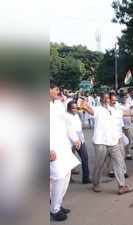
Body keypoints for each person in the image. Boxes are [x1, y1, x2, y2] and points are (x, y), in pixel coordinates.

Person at [80, 93, 133, 195]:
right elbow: (89, 110)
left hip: (114, 141)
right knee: (99, 164)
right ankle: (96, 183)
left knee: (119, 162)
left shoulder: (114, 110)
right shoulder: (98, 109)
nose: (106, 100)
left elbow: (124, 114)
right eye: (103, 98)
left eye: (107, 98)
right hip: (100, 142)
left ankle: (122, 186)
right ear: (100, 100)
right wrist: (84, 104)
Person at [50, 81, 80, 221]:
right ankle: (54, 210)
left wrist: (75, 139)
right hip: (52, 149)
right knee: (58, 177)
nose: (58, 92)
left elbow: (67, 123)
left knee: (66, 174)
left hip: (63, 146)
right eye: (56, 89)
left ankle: (57, 203)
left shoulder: (58, 105)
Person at [65, 101, 91, 184]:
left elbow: (79, 128)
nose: (75, 109)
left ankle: (86, 178)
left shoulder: (76, 115)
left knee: (85, 158)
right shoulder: (66, 117)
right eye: (73, 108)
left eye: (76, 107)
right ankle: (68, 178)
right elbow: (68, 131)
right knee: (69, 160)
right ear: (68, 108)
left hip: (80, 140)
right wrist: (74, 140)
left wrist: (81, 139)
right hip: (70, 141)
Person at [118, 94, 133, 160]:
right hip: (121, 126)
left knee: (130, 140)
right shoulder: (118, 106)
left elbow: (132, 113)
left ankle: (128, 153)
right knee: (122, 141)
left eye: (125, 98)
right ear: (120, 98)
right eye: (123, 98)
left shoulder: (129, 105)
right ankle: (123, 154)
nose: (124, 99)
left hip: (129, 124)